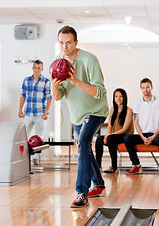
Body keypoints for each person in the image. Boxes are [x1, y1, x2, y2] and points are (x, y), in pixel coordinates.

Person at [50, 26, 109, 208]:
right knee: (84, 147)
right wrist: (53, 87)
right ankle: (98, 184)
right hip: (77, 115)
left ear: (76, 42)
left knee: (83, 143)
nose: (64, 46)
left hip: (96, 111)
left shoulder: (89, 59)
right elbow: (58, 96)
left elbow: (99, 91)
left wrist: (75, 81)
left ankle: (81, 193)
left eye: (68, 42)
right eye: (61, 42)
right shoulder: (56, 64)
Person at [123, 78, 159, 177]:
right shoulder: (137, 103)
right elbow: (136, 122)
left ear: (151, 87)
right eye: (143, 88)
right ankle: (136, 165)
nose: (145, 90)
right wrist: (142, 137)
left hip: (156, 134)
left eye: (147, 87)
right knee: (127, 138)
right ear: (141, 89)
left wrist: (153, 137)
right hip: (142, 135)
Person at [18, 60, 52, 164]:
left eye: (39, 68)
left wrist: (47, 112)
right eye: (35, 67)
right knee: (24, 136)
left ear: (42, 69)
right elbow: (23, 95)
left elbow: (49, 97)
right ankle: (23, 157)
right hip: (27, 113)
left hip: (40, 114)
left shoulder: (46, 81)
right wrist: (20, 109)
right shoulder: (26, 80)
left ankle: (36, 158)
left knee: (38, 138)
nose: (36, 70)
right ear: (32, 68)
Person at [95, 88, 134, 173]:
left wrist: (109, 136)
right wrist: (108, 135)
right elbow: (109, 126)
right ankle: (98, 166)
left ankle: (114, 166)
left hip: (126, 135)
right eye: (116, 96)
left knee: (110, 139)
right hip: (114, 136)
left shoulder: (129, 110)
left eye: (121, 96)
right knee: (99, 139)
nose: (118, 99)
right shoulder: (113, 109)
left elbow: (124, 129)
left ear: (124, 97)